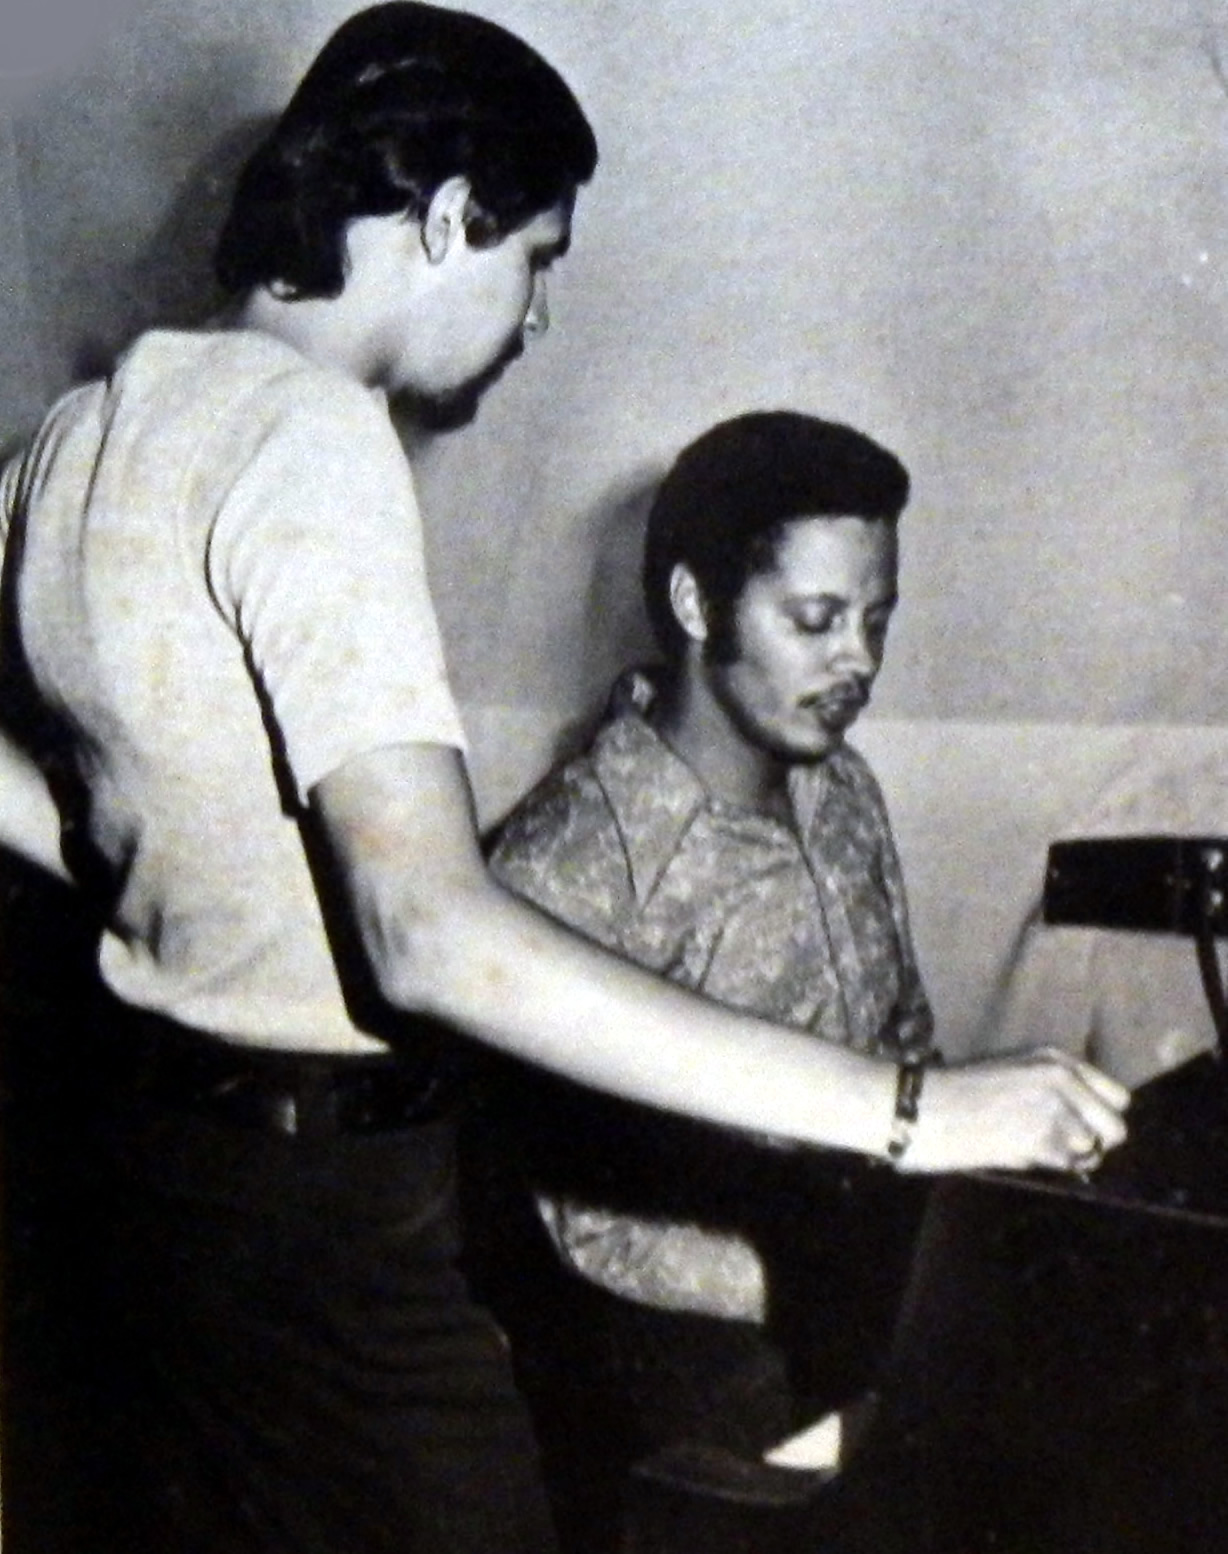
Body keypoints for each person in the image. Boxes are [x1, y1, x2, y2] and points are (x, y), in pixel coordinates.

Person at [0, 6, 1128, 1553]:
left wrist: (139, 862)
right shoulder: (313, 438)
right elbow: (429, 935)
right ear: (447, 219)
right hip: (335, 1208)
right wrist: (913, 1111)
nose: (535, 318)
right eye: (536, 259)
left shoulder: (80, 435)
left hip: (158, 1182)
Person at [475, 413, 941, 1537]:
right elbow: (536, 1230)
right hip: (679, 1357)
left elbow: (905, 1042)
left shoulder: (845, 792)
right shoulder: (561, 867)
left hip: (873, 1294)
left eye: (876, 619)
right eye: (816, 620)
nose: (860, 661)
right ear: (695, 605)